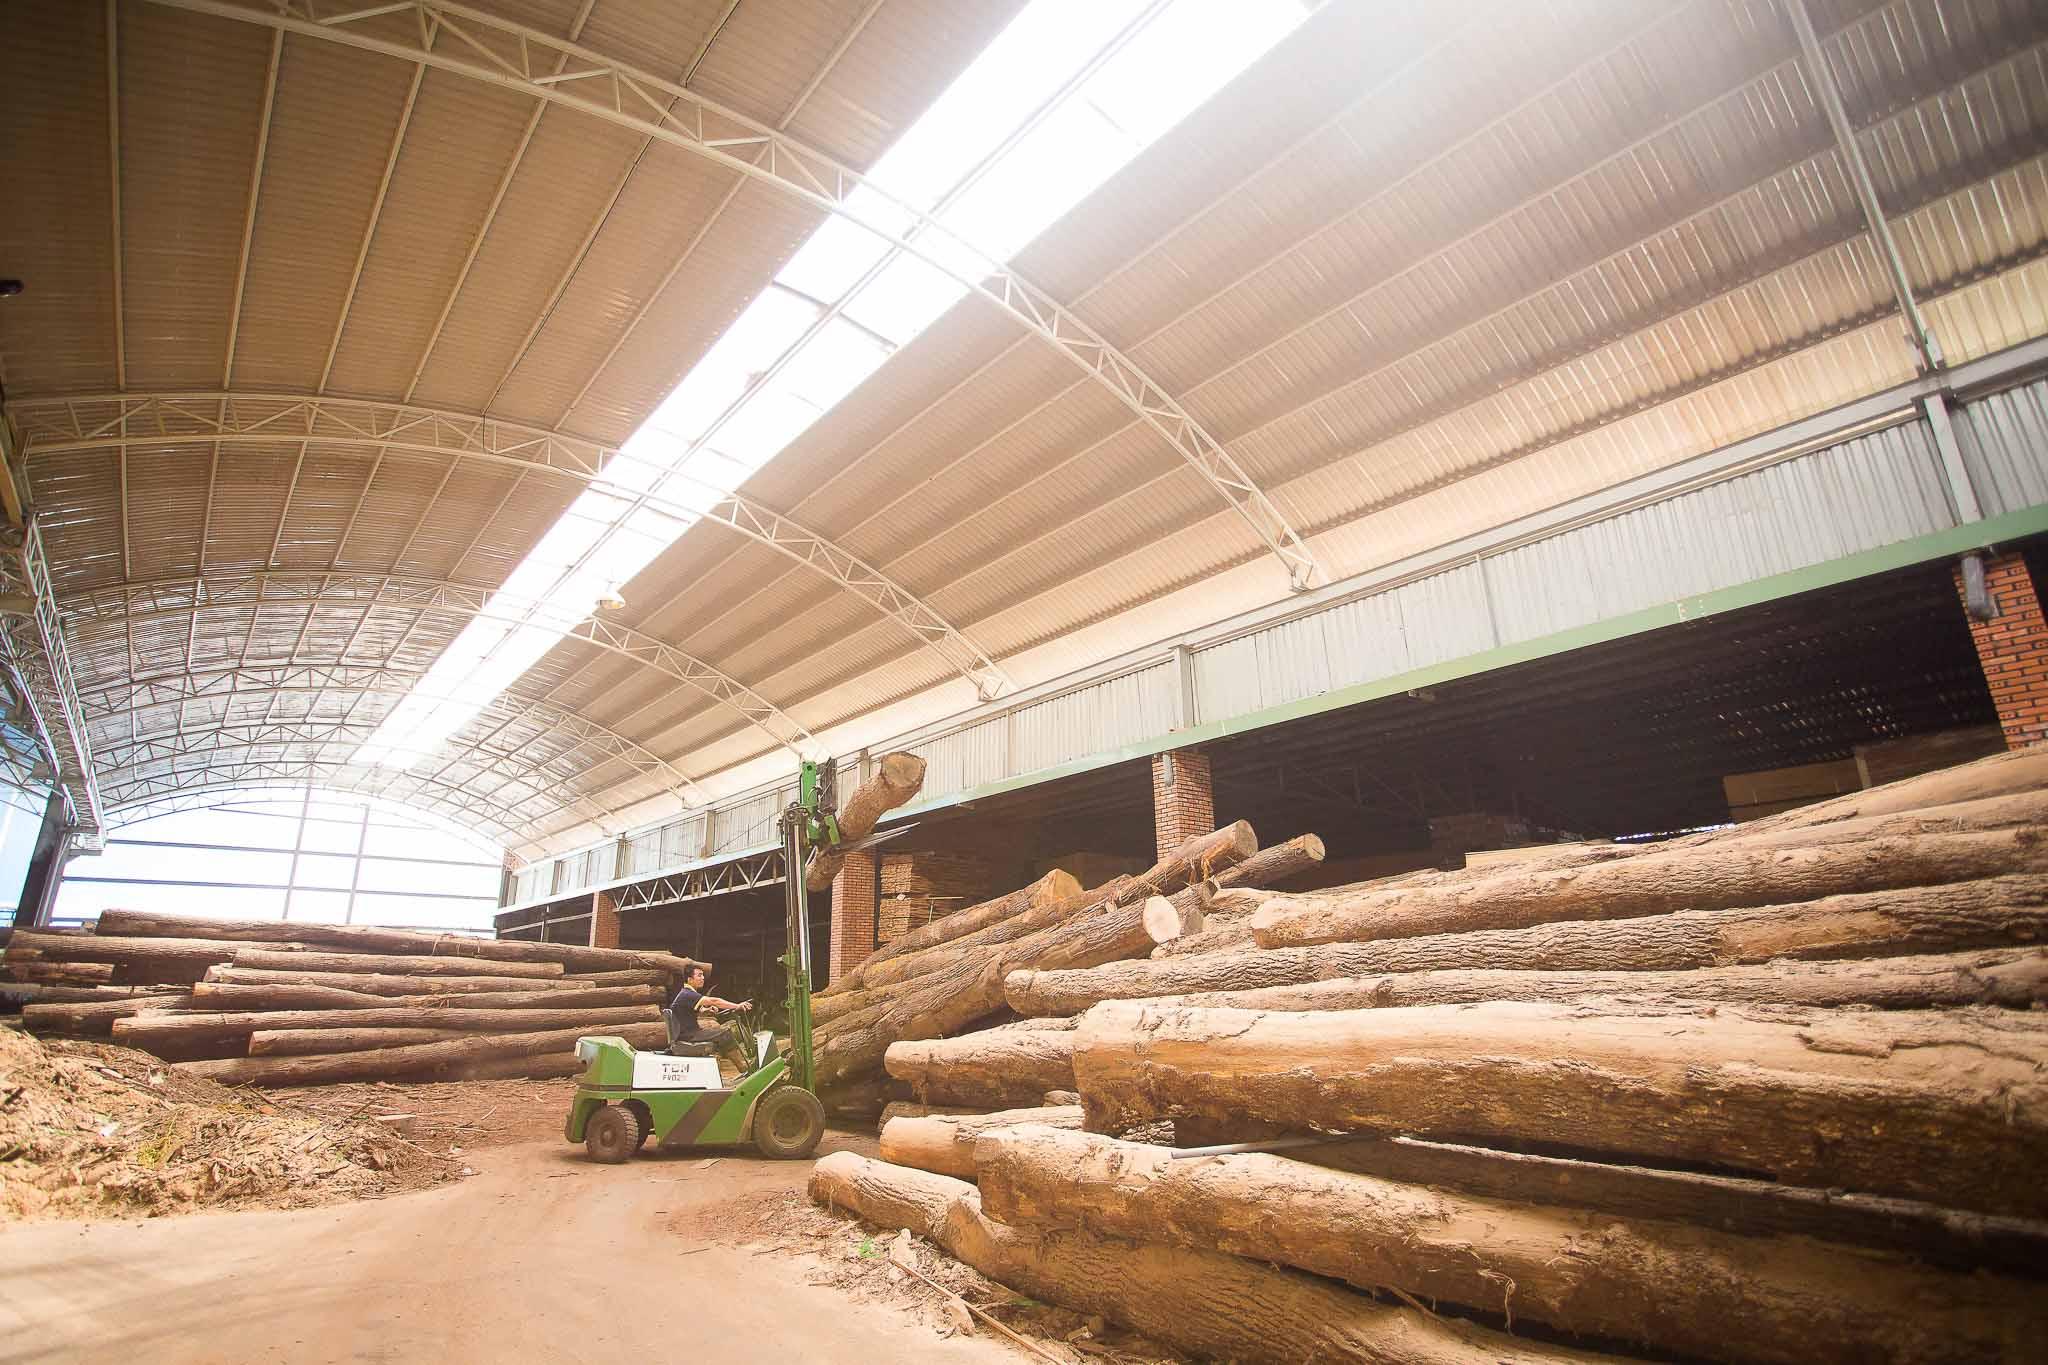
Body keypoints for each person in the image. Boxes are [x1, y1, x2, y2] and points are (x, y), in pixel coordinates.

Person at [668, 966, 750, 1060]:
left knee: (722, 1034)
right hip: (689, 1035)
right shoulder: (688, 994)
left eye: (703, 975)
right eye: (699, 975)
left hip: (688, 1033)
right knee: (725, 1034)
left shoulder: (686, 994)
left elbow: (688, 1012)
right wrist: (737, 1006)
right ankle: (743, 1065)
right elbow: (714, 1001)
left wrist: (706, 1010)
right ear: (690, 979)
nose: (703, 978)